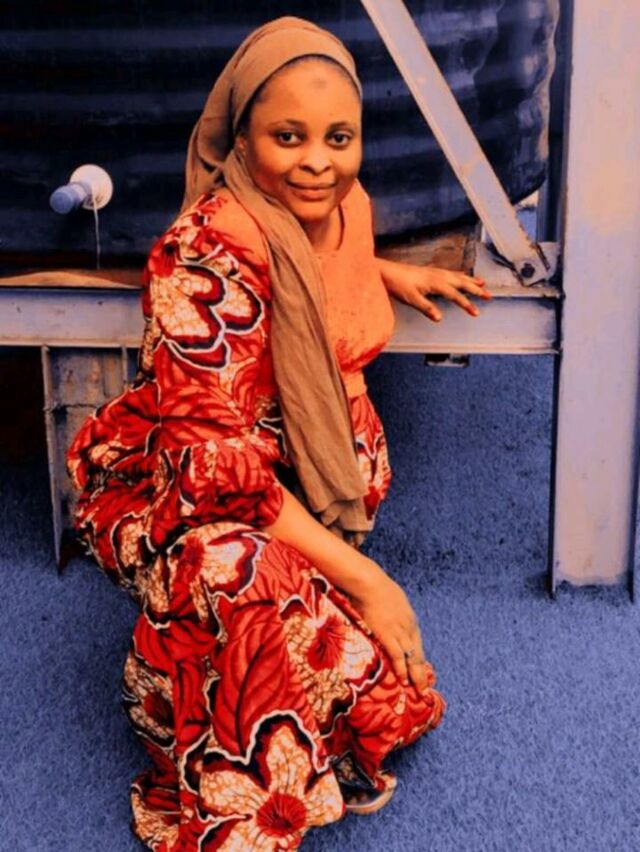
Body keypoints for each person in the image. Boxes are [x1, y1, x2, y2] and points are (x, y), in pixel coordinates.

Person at [66, 16, 491, 851]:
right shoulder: (199, 257)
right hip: (185, 488)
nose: (318, 161)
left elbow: (309, 271)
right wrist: (371, 581)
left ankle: (189, 668)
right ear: (241, 139)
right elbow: (219, 475)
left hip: (292, 475)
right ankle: (242, 813)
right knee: (246, 577)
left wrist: (385, 271)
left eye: (340, 137)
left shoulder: (342, 207)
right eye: (287, 137)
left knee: (378, 690)